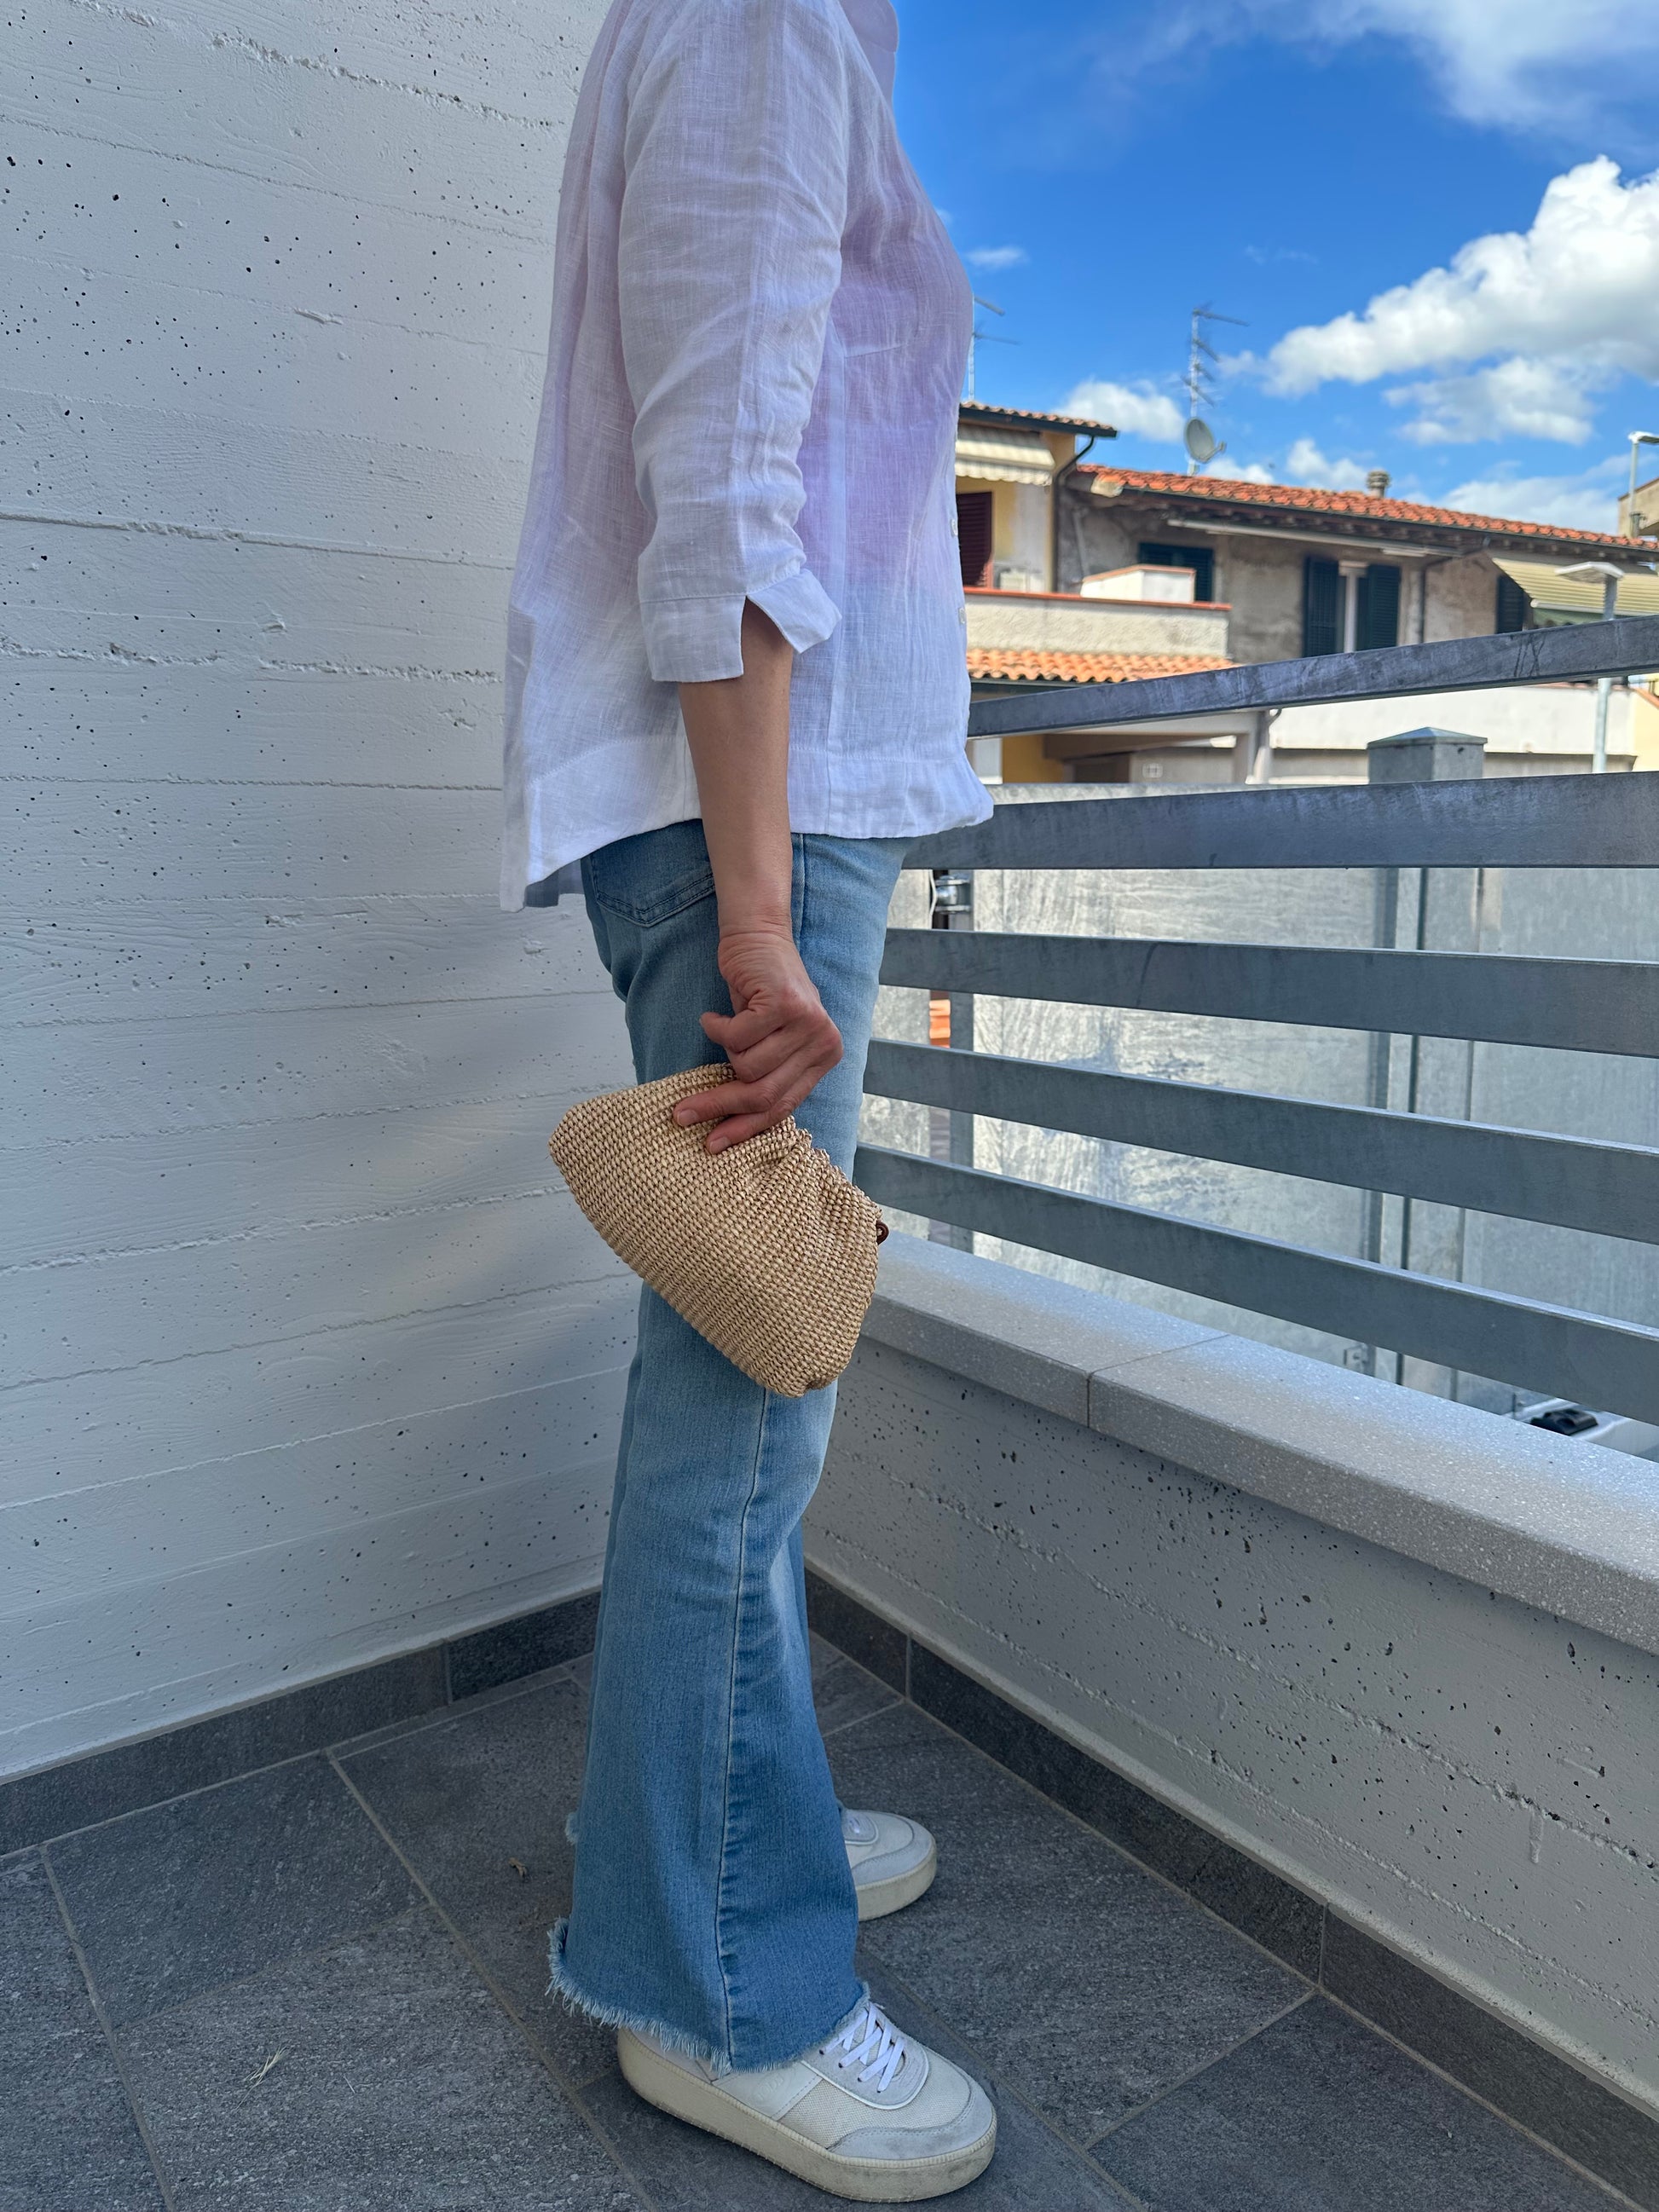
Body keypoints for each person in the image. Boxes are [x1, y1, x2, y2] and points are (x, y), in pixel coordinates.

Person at [501, 0, 995, 2195]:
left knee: (747, 1388)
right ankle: (716, 1984)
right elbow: (727, 474)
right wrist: (763, 902)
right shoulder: (764, 12)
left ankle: (720, 1813)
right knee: (745, 1393)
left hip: (749, 811)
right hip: (753, 825)